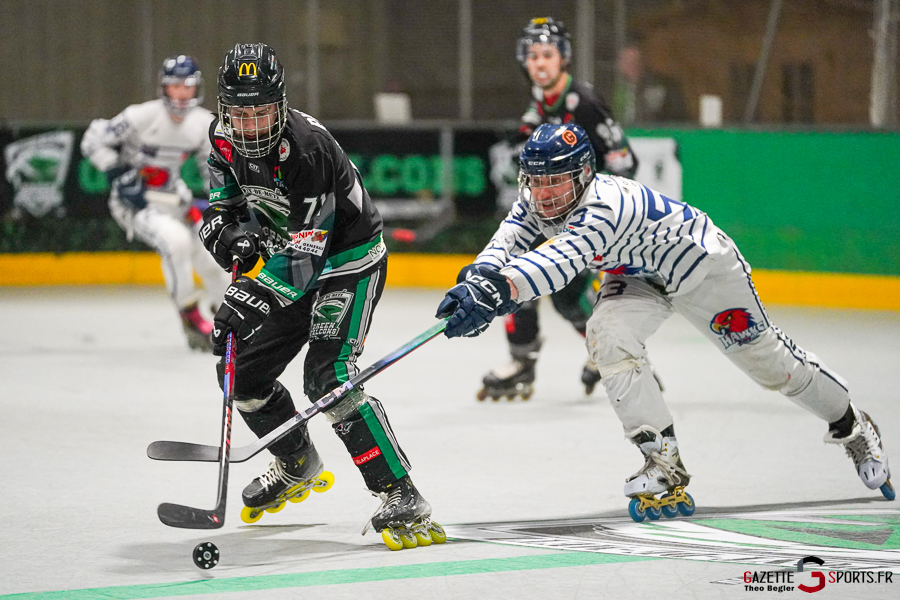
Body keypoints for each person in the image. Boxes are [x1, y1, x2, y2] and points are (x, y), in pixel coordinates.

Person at [437, 123, 894, 521]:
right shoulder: (535, 201)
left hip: (703, 271)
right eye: (536, 181)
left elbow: (559, 261)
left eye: (556, 181)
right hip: (638, 276)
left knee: (768, 364)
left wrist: (499, 293)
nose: (544, 193)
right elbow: (508, 241)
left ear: (583, 176)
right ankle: (662, 460)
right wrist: (476, 279)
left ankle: (852, 425)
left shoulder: (603, 209)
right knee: (606, 334)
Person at [198, 43, 443, 550]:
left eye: (261, 111)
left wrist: (243, 300)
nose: (249, 126)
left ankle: (400, 492)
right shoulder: (221, 141)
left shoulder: (305, 149)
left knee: (328, 376)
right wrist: (231, 239)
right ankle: (295, 460)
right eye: (239, 113)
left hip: (346, 264)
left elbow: (305, 261)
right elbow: (219, 212)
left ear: (280, 105)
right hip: (290, 261)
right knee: (240, 376)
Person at [478, 17, 640, 401]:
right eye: (533, 56)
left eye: (547, 54)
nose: (540, 63)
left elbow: (624, 161)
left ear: (563, 58)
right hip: (554, 208)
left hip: (587, 210)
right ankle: (523, 360)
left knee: (566, 295)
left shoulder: (582, 102)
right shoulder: (541, 99)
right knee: (519, 273)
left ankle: (608, 348)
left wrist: (599, 213)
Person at [81, 55, 229, 352]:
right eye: (175, 85)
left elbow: (212, 168)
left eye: (187, 85)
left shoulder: (204, 123)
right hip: (135, 203)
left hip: (176, 198)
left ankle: (228, 317)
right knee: (176, 243)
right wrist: (117, 171)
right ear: (164, 87)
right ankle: (189, 314)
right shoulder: (141, 116)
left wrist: (221, 201)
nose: (181, 92)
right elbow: (92, 139)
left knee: (212, 256)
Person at [613, 42, 688, 126]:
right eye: (627, 62)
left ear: (644, 62)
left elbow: (679, 120)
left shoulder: (664, 86)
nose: (633, 66)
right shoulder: (611, 89)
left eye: (637, 61)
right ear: (619, 65)